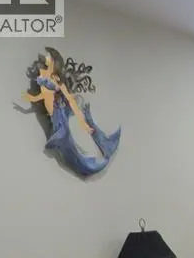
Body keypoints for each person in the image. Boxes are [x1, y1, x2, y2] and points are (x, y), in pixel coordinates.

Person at [22, 47, 121, 177]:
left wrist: (82, 123)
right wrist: (32, 98)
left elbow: (69, 99)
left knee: (70, 144)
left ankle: (100, 142)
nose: (46, 58)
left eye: (49, 56)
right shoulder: (45, 77)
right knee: (70, 148)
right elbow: (45, 95)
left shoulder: (56, 80)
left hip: (59, 115)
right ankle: (99, 146)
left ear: (54, 61)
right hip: (56, 116)